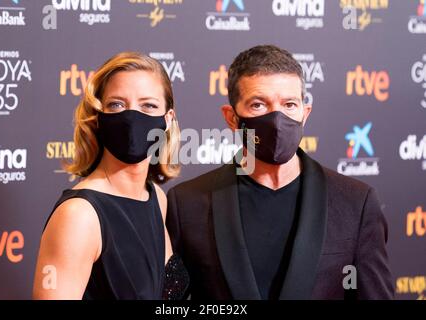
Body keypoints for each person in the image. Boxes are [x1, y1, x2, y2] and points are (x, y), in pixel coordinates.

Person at [166, 45, 394, 300]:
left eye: (289, 104)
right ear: (231, 118)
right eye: (258, 105)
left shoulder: (355, 204)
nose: (277, 118)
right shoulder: (186, 204)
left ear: (304, 114)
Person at [33, 52, 188, 300]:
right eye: (117, 104)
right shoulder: (79, 215)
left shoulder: (156, 198)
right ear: (98, 116)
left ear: (167, 120)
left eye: (148, 105)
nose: (131, 117)